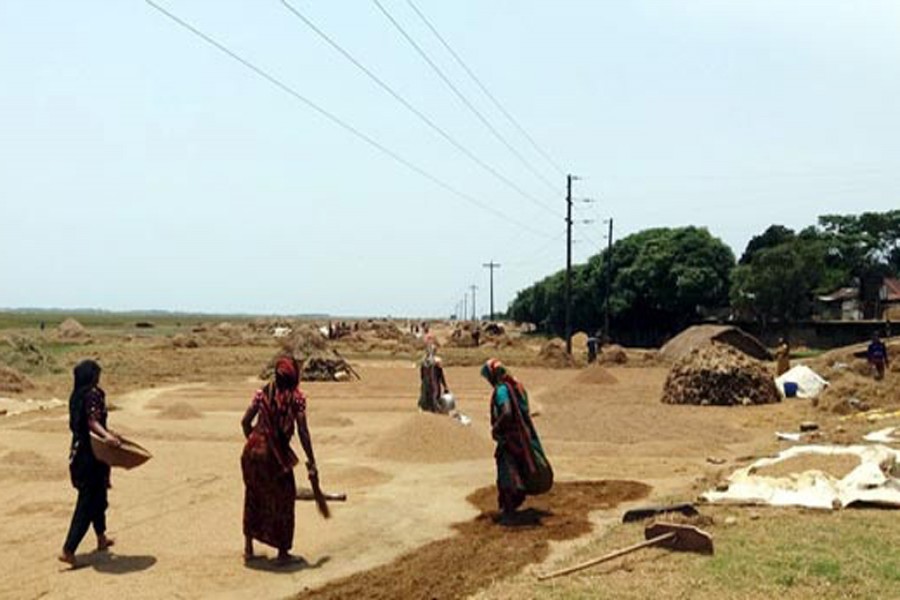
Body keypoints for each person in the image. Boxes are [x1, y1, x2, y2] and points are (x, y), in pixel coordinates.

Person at [241, 356, 318, 563]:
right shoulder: (296, 398)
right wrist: (312, 461)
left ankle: (248, 549)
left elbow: (245, 422)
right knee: (284, 499)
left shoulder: (262, 393)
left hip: (251, 452)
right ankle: (283, 553)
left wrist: (255, 441)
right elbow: (302, 431)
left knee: (253, 496)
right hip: (273, 456)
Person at [59, 360, 120, 567]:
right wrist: (107, 436)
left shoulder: (76, 395)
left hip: (80, 451)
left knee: (99, 496)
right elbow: (92, 422)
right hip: (90, 454)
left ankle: (101, 537)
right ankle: (69, 549)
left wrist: (109, 433)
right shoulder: (93, 394)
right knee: (87, 502)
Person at [481, 358, 551, 524]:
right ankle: (512, 505)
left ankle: (510, 510)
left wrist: (496, 428)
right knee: (520, 465)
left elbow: (506, 412)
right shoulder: (517, 386)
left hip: (511, 438)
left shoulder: (502, 391)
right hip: (522, 436)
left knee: (508, 471)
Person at [418, 346, 449, 413]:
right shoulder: (436, 361)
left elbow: (422, 374)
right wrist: (445, 385)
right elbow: (441, 375)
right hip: (433, 382)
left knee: (427, 395)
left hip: (427, 382)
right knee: (432, 395)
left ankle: (431, 408)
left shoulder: (424, 361)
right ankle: (435, 408)